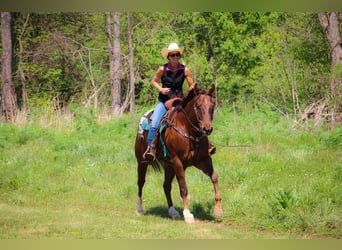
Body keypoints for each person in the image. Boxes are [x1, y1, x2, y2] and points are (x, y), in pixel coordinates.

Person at [143, 43, 195, 161]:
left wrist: (191, 90)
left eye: (177, 55)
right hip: (164, 100)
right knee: (155, 122)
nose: (175, 57)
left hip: (179, 101)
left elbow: (192, 84)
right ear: (168, 57)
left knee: (196, 119)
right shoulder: (162, 69)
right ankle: (150, 149)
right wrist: (161, 89)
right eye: (172, 55)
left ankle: (205, 146)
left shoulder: (185, 69)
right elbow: (154, 81)